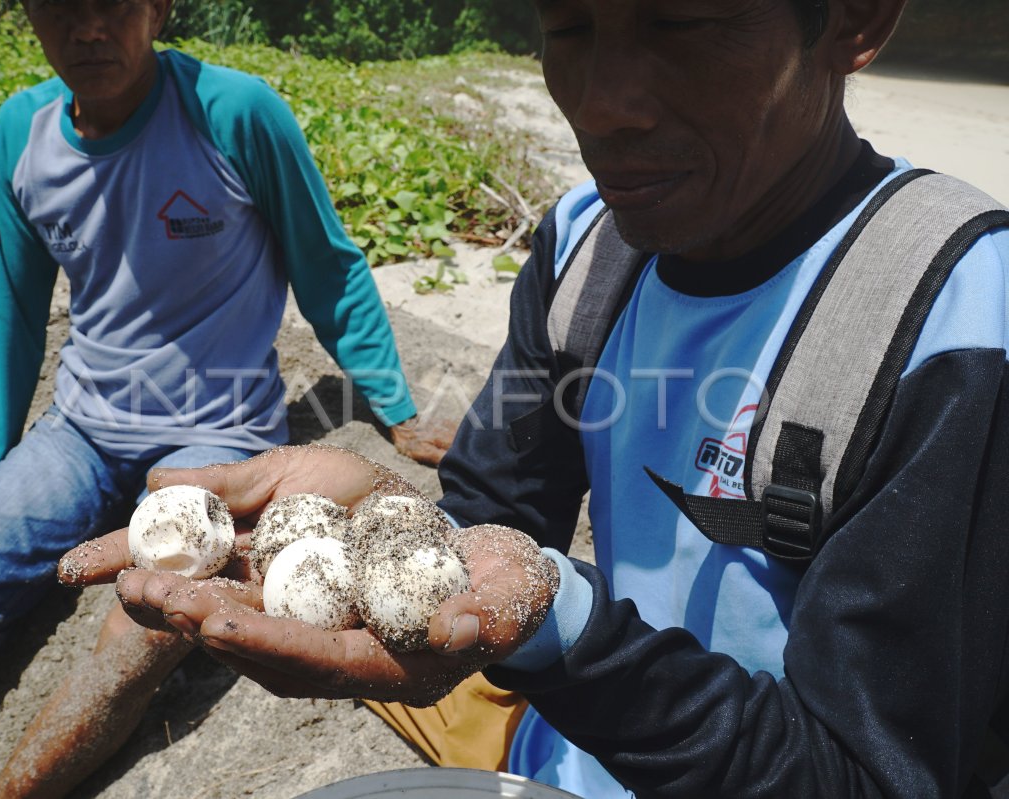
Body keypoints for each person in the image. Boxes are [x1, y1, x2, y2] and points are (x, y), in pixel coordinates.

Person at [59, 0, 1009, 796]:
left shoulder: (950, 319)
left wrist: (563, 627)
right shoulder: (588, 250)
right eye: (569, 26)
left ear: (855, 20)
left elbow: (869, 775)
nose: (601, 105)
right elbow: (491, 523)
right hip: (573, 759)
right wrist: (383, 519)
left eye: (680, 23)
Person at [0, 0, 455, 795]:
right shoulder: (22, 134)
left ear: (160, 9)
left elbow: (329, 265)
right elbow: (7, 319)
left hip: (215, 438)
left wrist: (399, 409)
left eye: (113, 4)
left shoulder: (233, 114)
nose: (88, 29)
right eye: (60, 8)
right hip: (79, 431)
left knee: (145, 628)